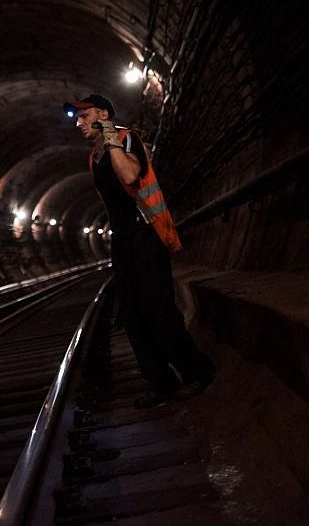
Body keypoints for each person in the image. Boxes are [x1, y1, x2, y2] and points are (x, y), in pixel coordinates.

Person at [64, 94, 215, 408]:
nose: (79, 123)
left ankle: (197, 370)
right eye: (77, 119)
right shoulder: (94, 157)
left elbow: (131, 175)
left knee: (158, 308)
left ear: (103, 114)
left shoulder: (126, 139)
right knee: (132, 316)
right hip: (124, 240)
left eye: (84, 116)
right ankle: (160, 382)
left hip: (145, 233)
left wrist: (109, 134)